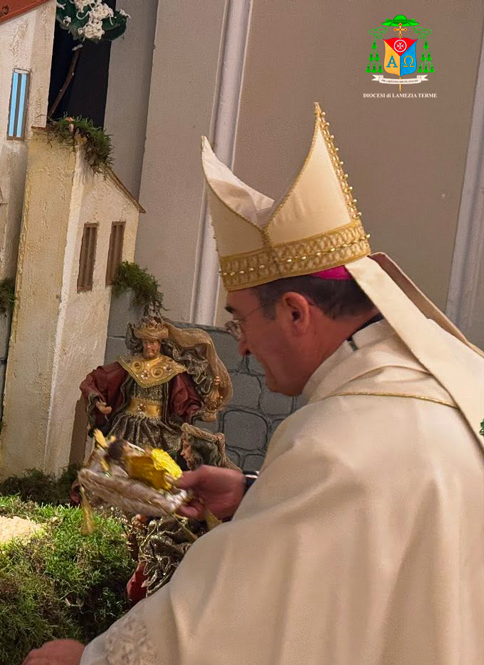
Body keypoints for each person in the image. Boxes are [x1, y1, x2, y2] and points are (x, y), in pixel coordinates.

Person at [24, 103, 483, 665]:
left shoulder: (335, 443)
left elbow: (220, 628)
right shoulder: (458, 385)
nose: (238, 345)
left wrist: (84, 661)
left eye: (240, 320)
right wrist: (256, 491)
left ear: (295, 312)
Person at [80, 316, 231, 459]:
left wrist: (199, 412)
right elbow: (100, 378)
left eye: (153, 342)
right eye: (145, 342)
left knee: (153, 464)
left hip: (157, 428)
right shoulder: (129, 364)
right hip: (125, 424)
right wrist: (98, 401)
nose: (148, 346)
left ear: (160, 343)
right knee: (114, 459)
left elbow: (184, 398)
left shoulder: (172, 370)